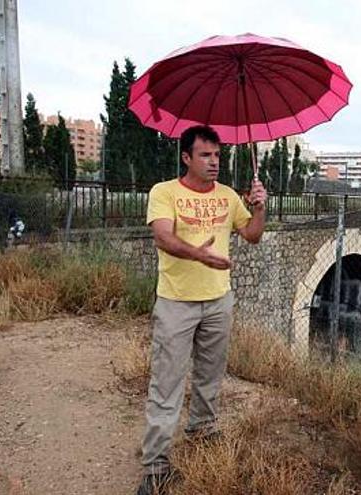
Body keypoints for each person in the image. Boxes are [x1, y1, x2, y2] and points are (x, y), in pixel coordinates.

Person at [136, 125, 266, 495]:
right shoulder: (164, 192)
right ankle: (156, 466)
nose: (214, 162)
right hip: (177, 302)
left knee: (210, 375)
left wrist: (259, 208)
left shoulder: (227, 196)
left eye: (218, 155)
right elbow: (163, 236)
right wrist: (201, 256)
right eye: (206, 155)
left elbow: (252, 235)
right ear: (187, 157)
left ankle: (202, 431)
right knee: (167, 384)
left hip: (218, 301)